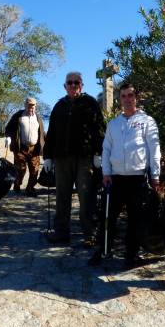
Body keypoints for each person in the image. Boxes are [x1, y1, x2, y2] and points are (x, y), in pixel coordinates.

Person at [88, 82, 160, 268]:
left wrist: (155, 175)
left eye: (130, 95)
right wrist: (106, 172)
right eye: (124, 96)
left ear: (136, 98)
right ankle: (103, 250)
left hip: (138, 178)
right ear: (119, 99)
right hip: (115, 179)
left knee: (135, 219)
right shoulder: (114, 124)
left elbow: (154, 150)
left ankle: (131, 255)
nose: (127, 99)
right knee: (107, 216)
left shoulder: (147, 122)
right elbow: (106, 149)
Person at [42, 71, 105, 246]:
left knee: (86, 196)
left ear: (82, 85)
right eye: (69, 82)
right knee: (62, 196)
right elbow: (52, 133)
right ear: (64, 86)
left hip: (85, 158)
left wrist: (98, 154)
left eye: (76, 82)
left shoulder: (90, 103)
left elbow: (99, 130)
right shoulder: (59, 106)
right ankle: (61, 232)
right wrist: (47, 156)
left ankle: (89, 233)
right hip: (62, 158)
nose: (73, 85)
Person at [4, 97, 46, 197]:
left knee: (34, 171)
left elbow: (42, 133)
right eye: (28, 105)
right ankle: (17, 184)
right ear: (25, 105)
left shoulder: (38, 118)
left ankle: (30, 189)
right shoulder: (18, 115)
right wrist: (8, 137)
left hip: (34, 149)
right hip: (20, 148)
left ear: (35, 106)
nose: (30, 107)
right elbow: (8, 128)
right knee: (20, 170)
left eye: (33, 105)